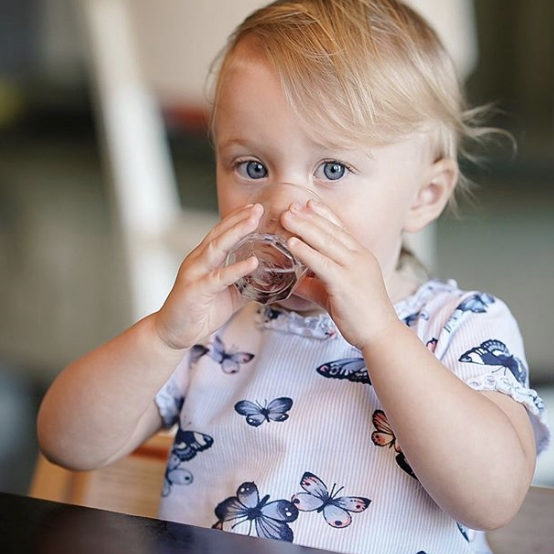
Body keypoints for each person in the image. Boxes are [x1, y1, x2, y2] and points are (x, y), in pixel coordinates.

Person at [37, 1, 550, 553]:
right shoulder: (214, 330)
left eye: (332, 169)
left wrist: (380, 334)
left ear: (424, 196)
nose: (282, 205)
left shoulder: (461, 327)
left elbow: (494, 499)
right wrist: (163, 334)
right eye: (251, 167)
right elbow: (67, 444)